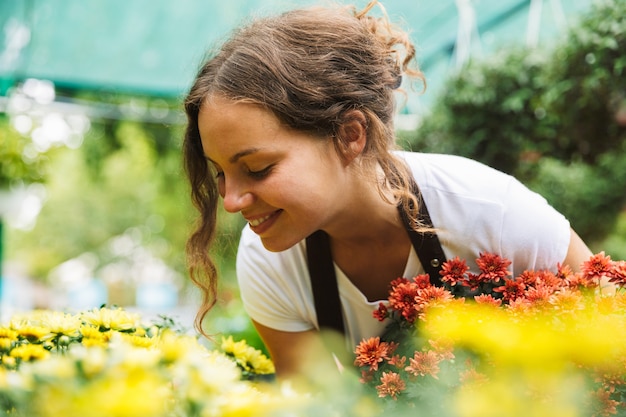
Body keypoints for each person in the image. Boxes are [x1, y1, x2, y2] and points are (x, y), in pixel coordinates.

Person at [182, 0, 593, 379]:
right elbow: (314, 402)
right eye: (219, 173)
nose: (232, 201)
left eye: (257, 168)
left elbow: (609, 341)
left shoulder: (494, 213)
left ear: (350, 134)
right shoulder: (270, 262)